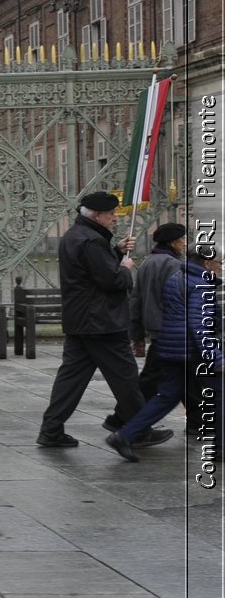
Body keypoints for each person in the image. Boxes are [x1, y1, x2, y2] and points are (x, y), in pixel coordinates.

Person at [37, 192, 172, 450]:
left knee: (71, 379)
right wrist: (125, 267)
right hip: (102, 322)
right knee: (126, 378)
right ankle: (138, 431)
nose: (114, 219)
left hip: (81, 321)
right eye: (111, 215)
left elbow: (90, 270)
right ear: (98, 215)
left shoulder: (76, 236)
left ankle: (51, 430)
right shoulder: (90, 241)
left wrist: (115, 250)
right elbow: (111, 281)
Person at [108, 244, 221, 460]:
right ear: (207, 263)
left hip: (169, 345)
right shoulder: (200, 285)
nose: (219, 269)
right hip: (191, 349)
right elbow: (199, 324)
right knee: (218, 393)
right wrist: (215, 356)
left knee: (167, 396)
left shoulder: (176, 277)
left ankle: (124, 435)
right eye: (218, 264)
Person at [128, 222, 190, 404]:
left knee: (177, 376)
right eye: (182, 240)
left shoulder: (147, 263)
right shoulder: (174, 266)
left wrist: (137, 334)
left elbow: (136, 300)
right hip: (172, 330)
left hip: (157, 328)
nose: (185, 244)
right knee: (154, 378)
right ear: (172, 243)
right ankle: (125, 416)